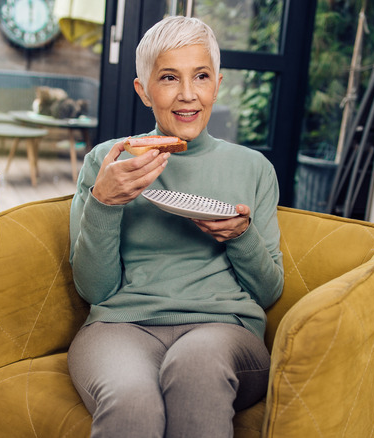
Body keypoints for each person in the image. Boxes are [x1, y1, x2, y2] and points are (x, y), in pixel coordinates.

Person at [68, 15, 284, 438]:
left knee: (195, 367)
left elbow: (268, 290)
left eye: (200, 76)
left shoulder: (253, 168)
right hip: (120, 328)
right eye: (169, 77)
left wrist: (241, 237)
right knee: (132, 403)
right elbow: (95, 290)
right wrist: (105, 203)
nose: (188, 95)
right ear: (143, 90)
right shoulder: (108, 162)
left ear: (217, 84)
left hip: (224, 331)